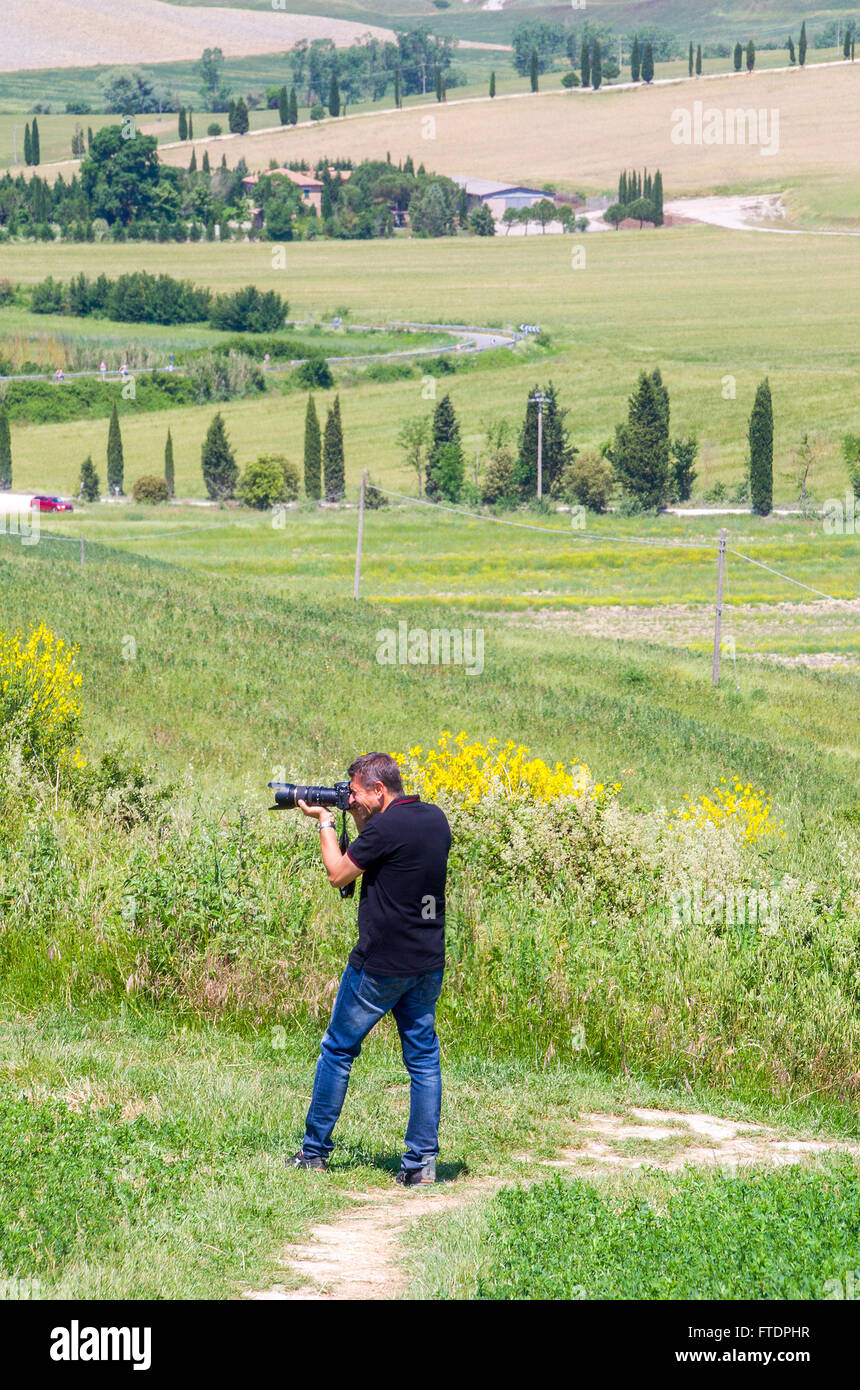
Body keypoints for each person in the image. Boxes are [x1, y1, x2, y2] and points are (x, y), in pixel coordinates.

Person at [291, 752, 451, 1185]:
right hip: (426, 962)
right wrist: (361, 816)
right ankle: (421, 1166)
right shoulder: (434, 818)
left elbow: (339, 874)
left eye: (357, 793)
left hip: (380, 965)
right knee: (423, 1062)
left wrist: (325, 820)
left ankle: (313, 1153)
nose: (352, 799)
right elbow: (384, 851)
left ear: (379, 790)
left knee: (338, 1050)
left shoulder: (385, 827)